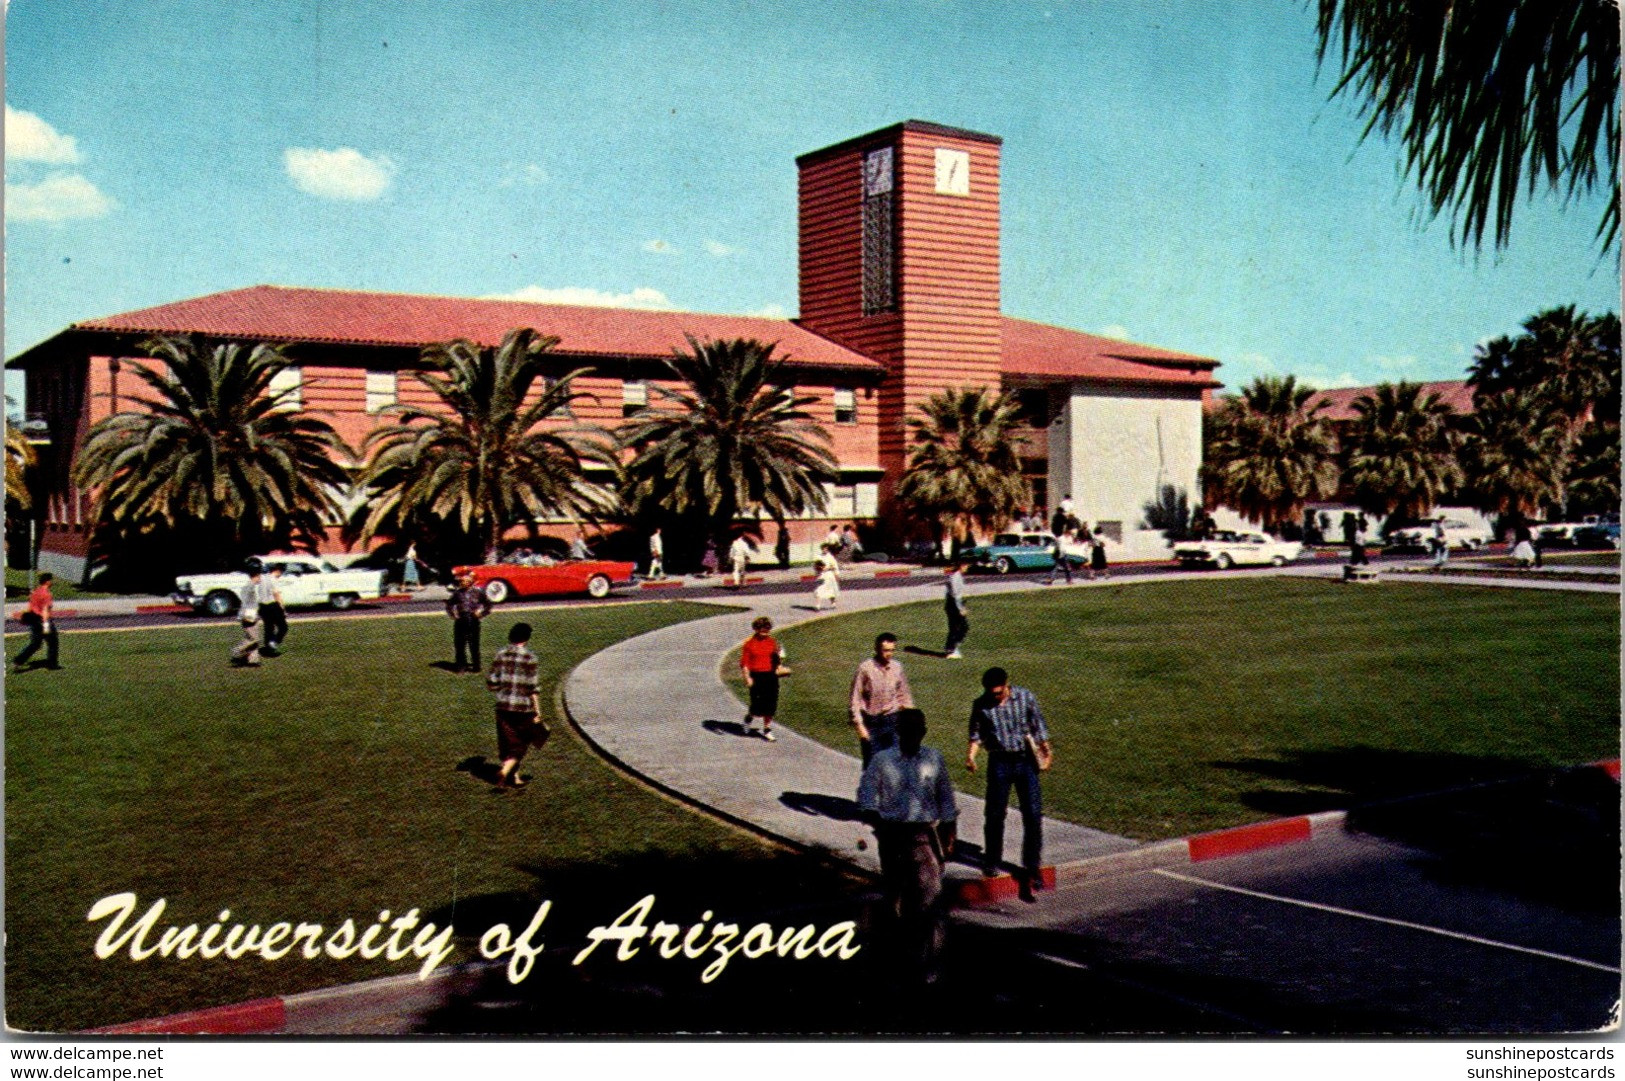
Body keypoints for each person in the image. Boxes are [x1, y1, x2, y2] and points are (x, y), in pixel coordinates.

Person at [857, 708, 957, 981]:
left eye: (917, 729)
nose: (912, 734)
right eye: (907, 729)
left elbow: (946, 801)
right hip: (892, 837)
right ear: (898, 731)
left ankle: (930, 968)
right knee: (896, 902)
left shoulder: (934, 759)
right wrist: (878, 822)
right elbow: (865, 798)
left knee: (931, 901)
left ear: (924, 731)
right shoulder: (882, 761)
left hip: (924, 837)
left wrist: (949, 838)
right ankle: (895, 961)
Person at [966, 666, 1053, 903]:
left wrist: (1046, 751)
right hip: (1000, 762)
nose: (995, 697)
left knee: (1033, 814)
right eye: (991, 693)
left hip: (1025, 762)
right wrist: (971, 756)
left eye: (999, 692)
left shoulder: (1025, 697)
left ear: (1007, 685)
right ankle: (992, 860)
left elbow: (1038, 727)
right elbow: (975, 734)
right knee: (995, 814)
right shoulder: (981, 705)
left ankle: (1032, 867)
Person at [486, 622, 548, 789]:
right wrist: (538, 711)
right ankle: (505, 771)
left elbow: (491, 681)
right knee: (523, 741)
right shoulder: (530, 658)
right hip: (523, 707)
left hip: (503, 705)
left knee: (507, 741)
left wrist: (501, 690)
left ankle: (514, 777)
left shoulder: (500, 654)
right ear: (527, 639)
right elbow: (533, 688)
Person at [850, 632, 914, 765]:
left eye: (892, 650)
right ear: (877, 649)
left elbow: (904, 696)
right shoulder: (865, 669)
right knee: (873, 767)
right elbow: (855, 699)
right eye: (885, 650)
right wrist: (860, 727)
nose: (889, 654)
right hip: (872, 723)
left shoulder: (897, 667)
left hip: (892, 720)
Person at [739, 616, 784, 742]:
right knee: (757, 705)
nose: (765, 632)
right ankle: (749, 719)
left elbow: (776, 658)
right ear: (756, 629)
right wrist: (747, 677)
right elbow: (744, 663)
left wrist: (779, 664)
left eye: (767, 629)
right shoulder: (749, 644)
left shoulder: (772, 642)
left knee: (771, 703)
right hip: (756, 675)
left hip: (770, 675)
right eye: (762, 629)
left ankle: (767, 729)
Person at [12, 572, 60, 672]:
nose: (53, 582)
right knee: (53, 642)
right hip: (43, 621)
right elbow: (45, 610)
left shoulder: (36, 592)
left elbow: (30, 607)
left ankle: (18, 661)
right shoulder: (47, 594)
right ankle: (52, 664)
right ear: (47, 581)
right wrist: (46, 625)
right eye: (52, 580)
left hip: (34, 620)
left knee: (35, 644)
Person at [446, 571, 493, 673]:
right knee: (460, 644)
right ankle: (461, 666)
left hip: (473, 620)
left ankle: (476, 666)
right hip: (461, 620)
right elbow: (449, 605)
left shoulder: (478, 592)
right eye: (461, 581)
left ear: (470, 582)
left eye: (464, 581)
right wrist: (453, 615)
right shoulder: (457, 593)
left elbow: (488, 605)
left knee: (474, 644)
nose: (462, 582)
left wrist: (481, 613)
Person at [230, 561, 268, 667]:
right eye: (260, 575)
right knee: (253, 638)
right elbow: (246, 603)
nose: (260, 578)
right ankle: (237, 651)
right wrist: (246, 616)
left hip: (252, 614)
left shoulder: (250, 586)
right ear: (256, 575)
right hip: (248, 615)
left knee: (254, 637)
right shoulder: (249, 587)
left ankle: (253, 660)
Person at [260, 565, 289, 657]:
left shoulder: (263, 579)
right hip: (273, 605)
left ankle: (268, 648)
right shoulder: (273, 580)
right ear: (277, 571)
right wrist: (283, 609)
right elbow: (277, 595)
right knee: (283, 627)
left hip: (262, 606)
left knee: (269, 628)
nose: (281, 574)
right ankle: (274, 642)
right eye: (281, 572)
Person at [943, 558, 968, 659]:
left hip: (954, 604)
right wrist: (961, 608)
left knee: (960, 627)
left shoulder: (957, 576)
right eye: (966, 566)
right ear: (961, 566)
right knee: (957, 628)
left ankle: (951, 647)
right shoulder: (955, 577)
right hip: (953, 605)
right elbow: (955, 595)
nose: (967, 568)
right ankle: (951, 649)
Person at [812, 543, 841, 609]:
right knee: (819, 589)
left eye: (826, 549)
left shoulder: (830, 557)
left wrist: (836, 574)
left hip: (829, 575)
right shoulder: (818, 556)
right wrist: (818, 568)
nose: (825, 550)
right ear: (821, 549)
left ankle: (833, 603)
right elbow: (815, 566)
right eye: (823, 548)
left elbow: (835, 567)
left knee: (831, 590)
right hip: (821, 575)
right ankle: (818, 605)